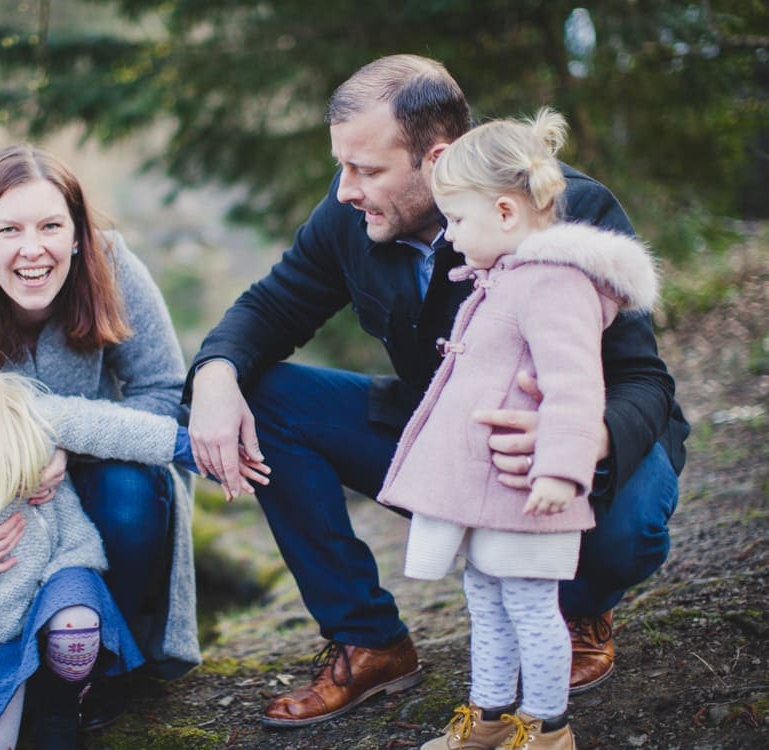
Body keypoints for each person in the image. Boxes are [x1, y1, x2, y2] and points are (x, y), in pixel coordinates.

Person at [187, 54, 688, 728]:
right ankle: (370, 643)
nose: (344, 190)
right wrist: (216, 375)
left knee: (627, 530)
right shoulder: (349, 220)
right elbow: (268, 310)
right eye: (342, 165)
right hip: (444, 437)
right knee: (268, 394)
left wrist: (582, 439)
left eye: (366, 169)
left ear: (437, 157)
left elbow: (641, 378)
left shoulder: (563, 209)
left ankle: (576, 608)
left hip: (563, 449)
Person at [0, 145, 234, 730]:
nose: (33, 249)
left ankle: (103, 670)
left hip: (105, 468)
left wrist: (61, 450)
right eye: (9, 230)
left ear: (78, 233)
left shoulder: (114, 268)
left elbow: (162, 390)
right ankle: (8, 663)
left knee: (131, 495)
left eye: (51, 226)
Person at [376, 109, 658, 750]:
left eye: (456, 220)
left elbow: (576, 383)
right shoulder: (505, 278)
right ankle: (491, 718)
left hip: (530, 489)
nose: (448, 237)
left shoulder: (553, 283)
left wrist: (563, 468)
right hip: (493, 495)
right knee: (487, 604)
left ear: (506, 212)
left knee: (532, 609)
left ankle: (547, 730)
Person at [0, 318, 235, 749]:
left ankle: (60, 713)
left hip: (62, 570)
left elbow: (105, 425)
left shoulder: (23, 417)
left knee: (76, 631)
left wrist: (191, 449)